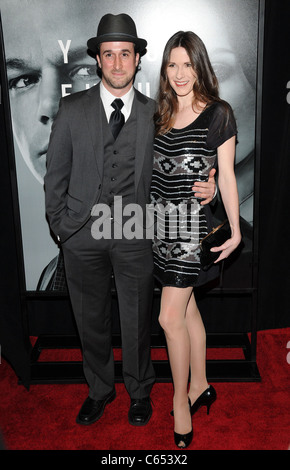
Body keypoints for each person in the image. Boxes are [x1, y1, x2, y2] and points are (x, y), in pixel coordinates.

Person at [44, 14, 215, 427]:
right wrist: (63, 228)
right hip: (82, 234)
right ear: (98, 60)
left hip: (136, 233)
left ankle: (140, 392)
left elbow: (181, 163)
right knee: (90, 320)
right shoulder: (71, 109)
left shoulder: (158, 113)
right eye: (109, 55)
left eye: (126, 54)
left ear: (138, 60)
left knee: (137, 320)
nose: (118, 63)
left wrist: (208, 189)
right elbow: (56, 175)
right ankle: (100, 390)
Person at [151, 31, 241, 447]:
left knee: (168, 318)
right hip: (157, 230)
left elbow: (225, 174)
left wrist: (235, 226)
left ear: (199, 65)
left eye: (187, 64)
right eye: (172, 64)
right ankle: (201, 383)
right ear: (165, 70)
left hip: (191, 230)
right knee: (187, 314)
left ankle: (181, 401)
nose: (180, 73)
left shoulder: (218, 113)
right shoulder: (159, 113)